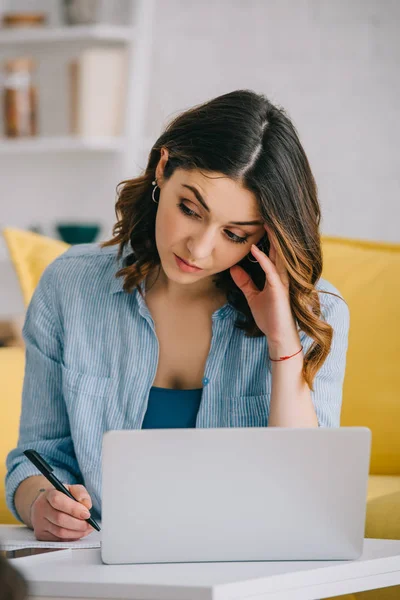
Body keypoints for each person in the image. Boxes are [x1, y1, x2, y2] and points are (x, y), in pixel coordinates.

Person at [6, 89, 350, 542]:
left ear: (263, 237)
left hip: (249, 573)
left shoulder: (313, 312)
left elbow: (308, 501)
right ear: (163, 168)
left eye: (234, 233)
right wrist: (39, 504)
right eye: (190, 210)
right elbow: (36, 457)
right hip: (107, 568)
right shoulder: (72, 287)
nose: (200, 248)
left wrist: (283, 346)